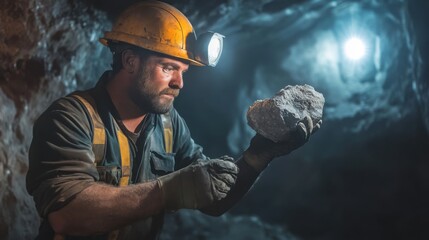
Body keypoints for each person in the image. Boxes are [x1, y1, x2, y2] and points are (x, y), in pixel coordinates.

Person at [26, 1, 321, 239]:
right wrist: (169, 191)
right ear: (129, 61)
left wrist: (260, 154)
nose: (179, 82)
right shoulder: (71, 118)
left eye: (183, 71)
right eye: (168, 68)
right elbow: (67, 216)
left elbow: (213, 200)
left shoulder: (168, 125)